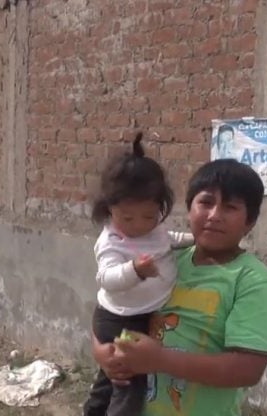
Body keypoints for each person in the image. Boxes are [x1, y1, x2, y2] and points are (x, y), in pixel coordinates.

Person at [92, 158, 267, 416]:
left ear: (250, 222)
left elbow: (248, 369)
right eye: (206, 202)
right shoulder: (168, 260)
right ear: (189, 208)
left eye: (230, 207)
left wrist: (159, 360)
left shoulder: (251, 279)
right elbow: (111, 308)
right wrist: (102, 352)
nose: (214, 215)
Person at [83, 132, 193, 416]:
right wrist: (134, 270)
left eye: (149, 216)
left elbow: (171, 238)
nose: (139, 225)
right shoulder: (112, 241)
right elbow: (106, 278)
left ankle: (93, 411)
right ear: (110, 209)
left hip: (143, 314)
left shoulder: (155, 231)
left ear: (160, 208)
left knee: (110, 377)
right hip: (119, 317)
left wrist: (196, 239)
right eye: (128, 218)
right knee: (128, 382)